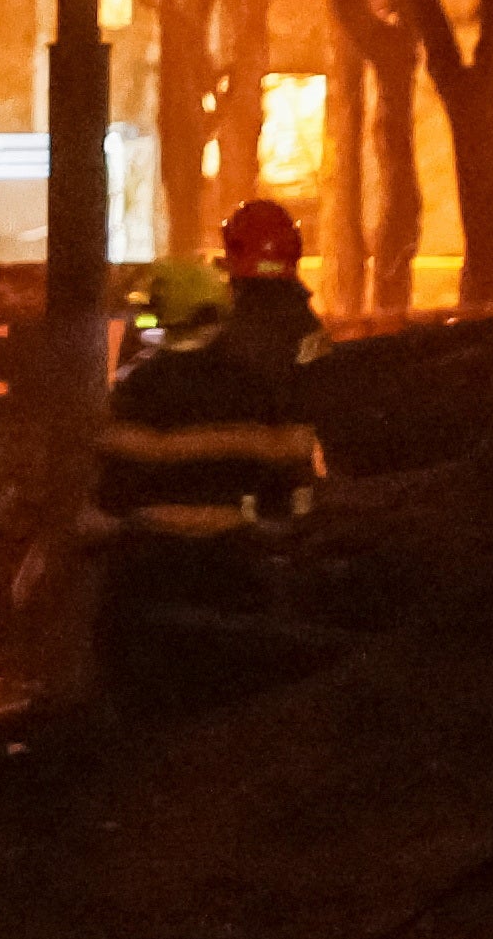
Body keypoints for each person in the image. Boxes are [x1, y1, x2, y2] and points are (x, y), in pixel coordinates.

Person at [91, 247, 322, 705]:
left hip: (150, 567)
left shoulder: (139, 389)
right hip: (231, 564)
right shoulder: (251, 386)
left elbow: (112, 494)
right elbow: (286, 477)